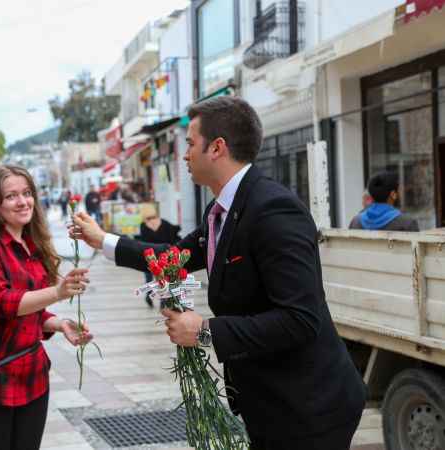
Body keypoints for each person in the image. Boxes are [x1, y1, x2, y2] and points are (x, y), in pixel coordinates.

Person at [71, 96, 366, 450]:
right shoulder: (223, 209)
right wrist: (102, 240)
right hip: (271, 401)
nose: (184, 155)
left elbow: (299, 319)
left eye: (190, 144)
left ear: (217, 148)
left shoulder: (273, 210)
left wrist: (204, 331)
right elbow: (173, 257)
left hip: (309, 407)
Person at [0, 165, 93, 450]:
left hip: (31, 374)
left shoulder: (31, 242)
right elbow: (2, 303)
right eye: (11, 196)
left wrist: (58, 324)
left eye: (27, 193)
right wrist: (58, 292)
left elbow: (30, 311)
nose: (23, 201)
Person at [137, 205, 180, 308]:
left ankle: (148, 296)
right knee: (163, 280)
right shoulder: (164, 223)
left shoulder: (143, 225)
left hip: (149, 257)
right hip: (163, 257)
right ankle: (162, 301)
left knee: (149, 280)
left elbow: (142, 241)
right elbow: (174, 232)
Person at [349, 171, 418, 231]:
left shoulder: (355, 222)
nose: (401, 192)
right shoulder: (407, 223)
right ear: (393, 194)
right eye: (399, 189)